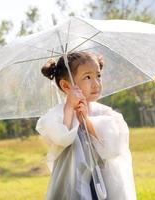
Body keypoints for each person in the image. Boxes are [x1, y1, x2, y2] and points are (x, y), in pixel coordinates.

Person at [36, 51, 137, 200]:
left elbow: (114, 148)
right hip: (72, 182)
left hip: (104, 182)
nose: (96, 83)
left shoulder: (105, 113)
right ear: (66, 85)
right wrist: (69, 108)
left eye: (98, 75)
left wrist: (87, 121)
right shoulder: (56, 115)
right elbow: (61, 139)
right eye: (87, 77)